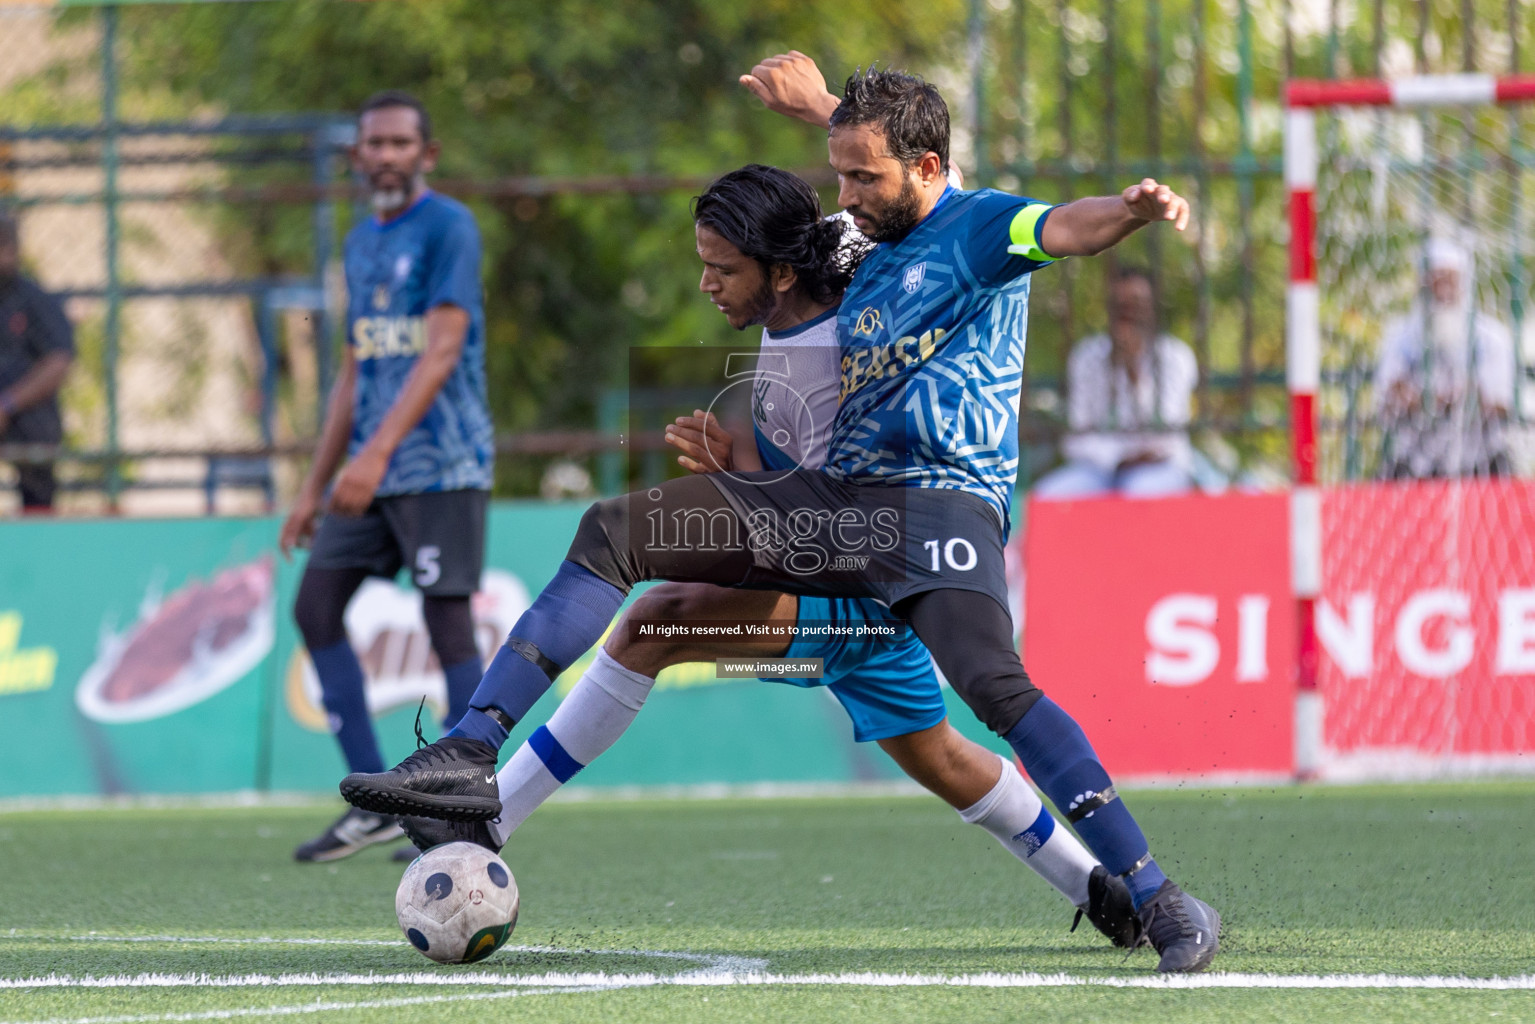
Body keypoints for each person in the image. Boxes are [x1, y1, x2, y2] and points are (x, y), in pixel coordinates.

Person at [341, 60, 1221, 972]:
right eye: (837, 175)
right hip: (833, 515)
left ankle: (1154, 896)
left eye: (858, 178)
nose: (841, 197)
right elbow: (868, 169)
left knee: (982, 699)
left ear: (924, 169)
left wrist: (1132, 210)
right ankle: (471, 750)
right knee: (618, 535)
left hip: (937, 514)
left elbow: (1066, 227)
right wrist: (741, 474)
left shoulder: (982, 226)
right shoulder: (851, 246)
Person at [278, 91, 492, 863]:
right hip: (370, 474)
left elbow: (440, 351)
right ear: (357, 155)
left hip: (442, 466)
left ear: (426, 155)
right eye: (373, 143)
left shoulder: (448, 227)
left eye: (401, 142)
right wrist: (313, 487)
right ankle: (373, 797)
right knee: (316, 607)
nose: (386, 155)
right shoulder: (359, 243)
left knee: (446, 625)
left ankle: (468, 807)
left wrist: (372, 458)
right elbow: (351, 375)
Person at [1033, 266, 1198, 499]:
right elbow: (1076, 436)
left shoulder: (1175, 357)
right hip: (1098, 470)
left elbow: (1167, 435)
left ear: (1152, 308)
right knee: (1047, 496)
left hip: (1161, 470)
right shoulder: (1087, 356)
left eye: (1137, 303)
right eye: (1121, 305)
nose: (1128, 313)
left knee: (1135, 492)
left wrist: (1134, 375)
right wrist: (1118, 460)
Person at [1375, 236, 1515, 479]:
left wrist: (1438, 400)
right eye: (1435, 281)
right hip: (1415, 461)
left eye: (1450, 280)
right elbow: (1389, 394)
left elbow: (1500, 401)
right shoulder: (1401, 335)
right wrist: (1444, 399)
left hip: (1480, 459)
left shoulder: (1491, 337)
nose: (1442, 290)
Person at [0, 212, 75, 515]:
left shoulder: (35, 300)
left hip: (23, 416)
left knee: (38, 433)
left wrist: (7, 404)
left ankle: (38, 518)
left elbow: (58, 361)